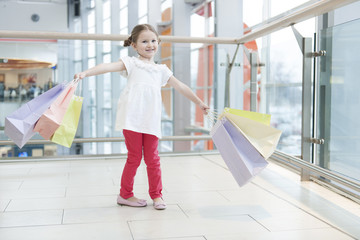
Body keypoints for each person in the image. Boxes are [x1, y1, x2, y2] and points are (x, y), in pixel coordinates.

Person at [75, 24, 209, 210]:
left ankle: (157, 196)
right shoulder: (132, 63)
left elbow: (181, 86)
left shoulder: (161, 70)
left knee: (153, 159)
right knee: (135, 157)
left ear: (158, 43)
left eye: (153, 41)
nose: (150, 45)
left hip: (151, 120)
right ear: (134, 45)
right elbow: (106, 67)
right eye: (144, 41)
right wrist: (85, 73)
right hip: (132, 118)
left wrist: (199, 102)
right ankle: (125, 195)